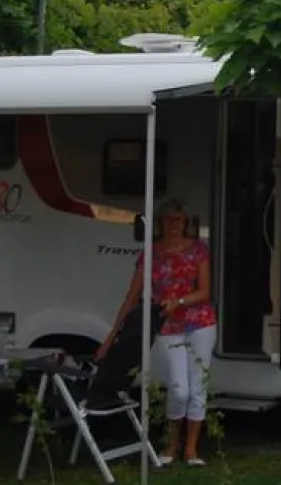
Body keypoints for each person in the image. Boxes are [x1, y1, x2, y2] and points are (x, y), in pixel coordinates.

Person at [98, 199, 217, 467]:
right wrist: (111, 335)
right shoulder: (151, 254)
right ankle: (171, 444)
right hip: (167, 326)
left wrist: (180, 301)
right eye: (168, 219)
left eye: (178, 219)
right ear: (160, 223)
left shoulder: (198, 250)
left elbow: (205, 291)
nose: (173, 224)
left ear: (186, 223)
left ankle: (191, 450)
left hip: (201, 323)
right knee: (178, 388)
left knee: (197, 387)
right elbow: (132, 296)